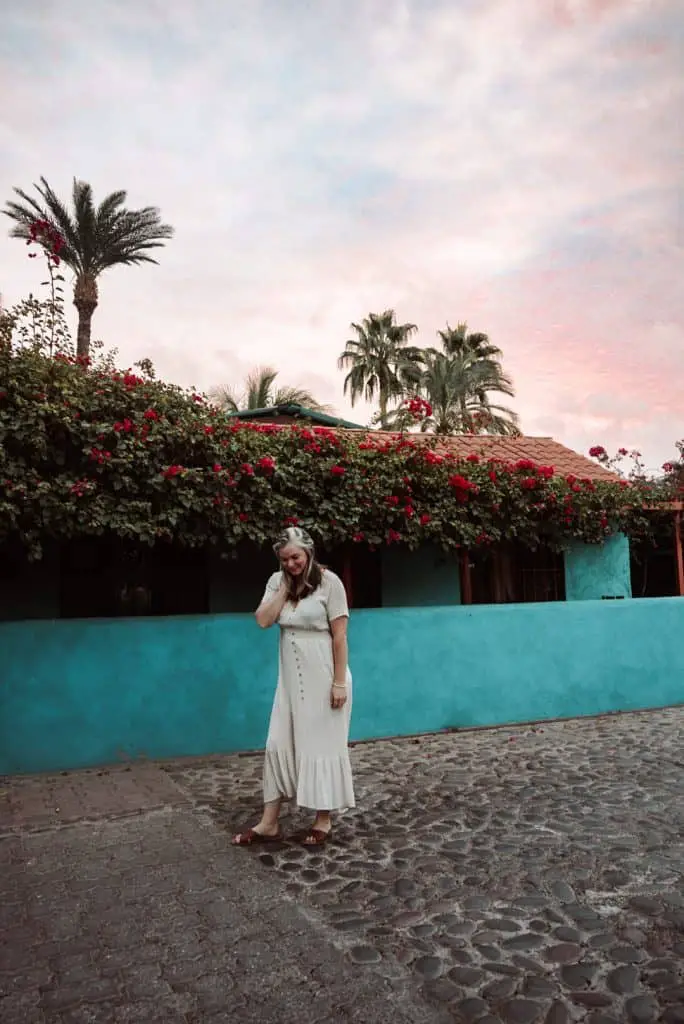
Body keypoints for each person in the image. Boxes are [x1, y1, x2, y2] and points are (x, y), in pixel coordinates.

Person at [232, 526, 355, 847]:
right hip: (289, 683)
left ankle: (323, 820)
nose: (291, 564)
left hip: (325, 675)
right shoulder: (277, 582)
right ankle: (269, 823)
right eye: (285, 559)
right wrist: (286, 587)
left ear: (309, 554)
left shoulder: (330, 583)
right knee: (277, 743)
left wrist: (339, 682)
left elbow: (340, 636)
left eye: (296, 557)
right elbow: (263, 620)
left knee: (321, 747)